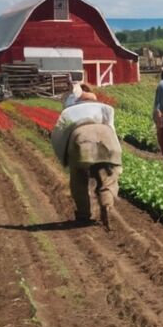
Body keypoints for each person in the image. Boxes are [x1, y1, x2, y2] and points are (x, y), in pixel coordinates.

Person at [51, 96, 122, 228]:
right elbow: (112, 128)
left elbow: (58, 134)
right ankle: (107, 205)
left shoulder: (71, 112)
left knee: (79, 179)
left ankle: (84, 215)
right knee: (107, 177)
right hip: (107, 137)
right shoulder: (104, 110)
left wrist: (65, 157)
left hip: (81, 139)